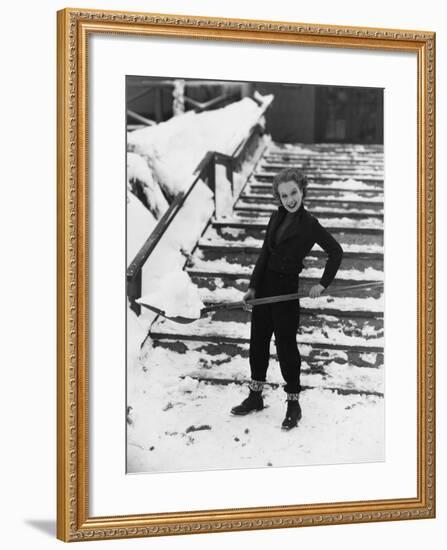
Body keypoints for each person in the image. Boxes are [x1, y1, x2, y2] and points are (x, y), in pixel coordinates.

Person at [230, 167, 343, 430]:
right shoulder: (275, 217)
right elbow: (264, 255)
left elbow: (336, 252)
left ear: (302, 191)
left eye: (294, 193)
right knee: (258, 343)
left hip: (286, 292)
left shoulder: (310, 225)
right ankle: (255, 396)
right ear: (278, 198)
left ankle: (293, 404)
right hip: (266, 288)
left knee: (285, 348)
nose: (290, 199)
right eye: (284, 195)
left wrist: (322, 285)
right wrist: (253, 287)